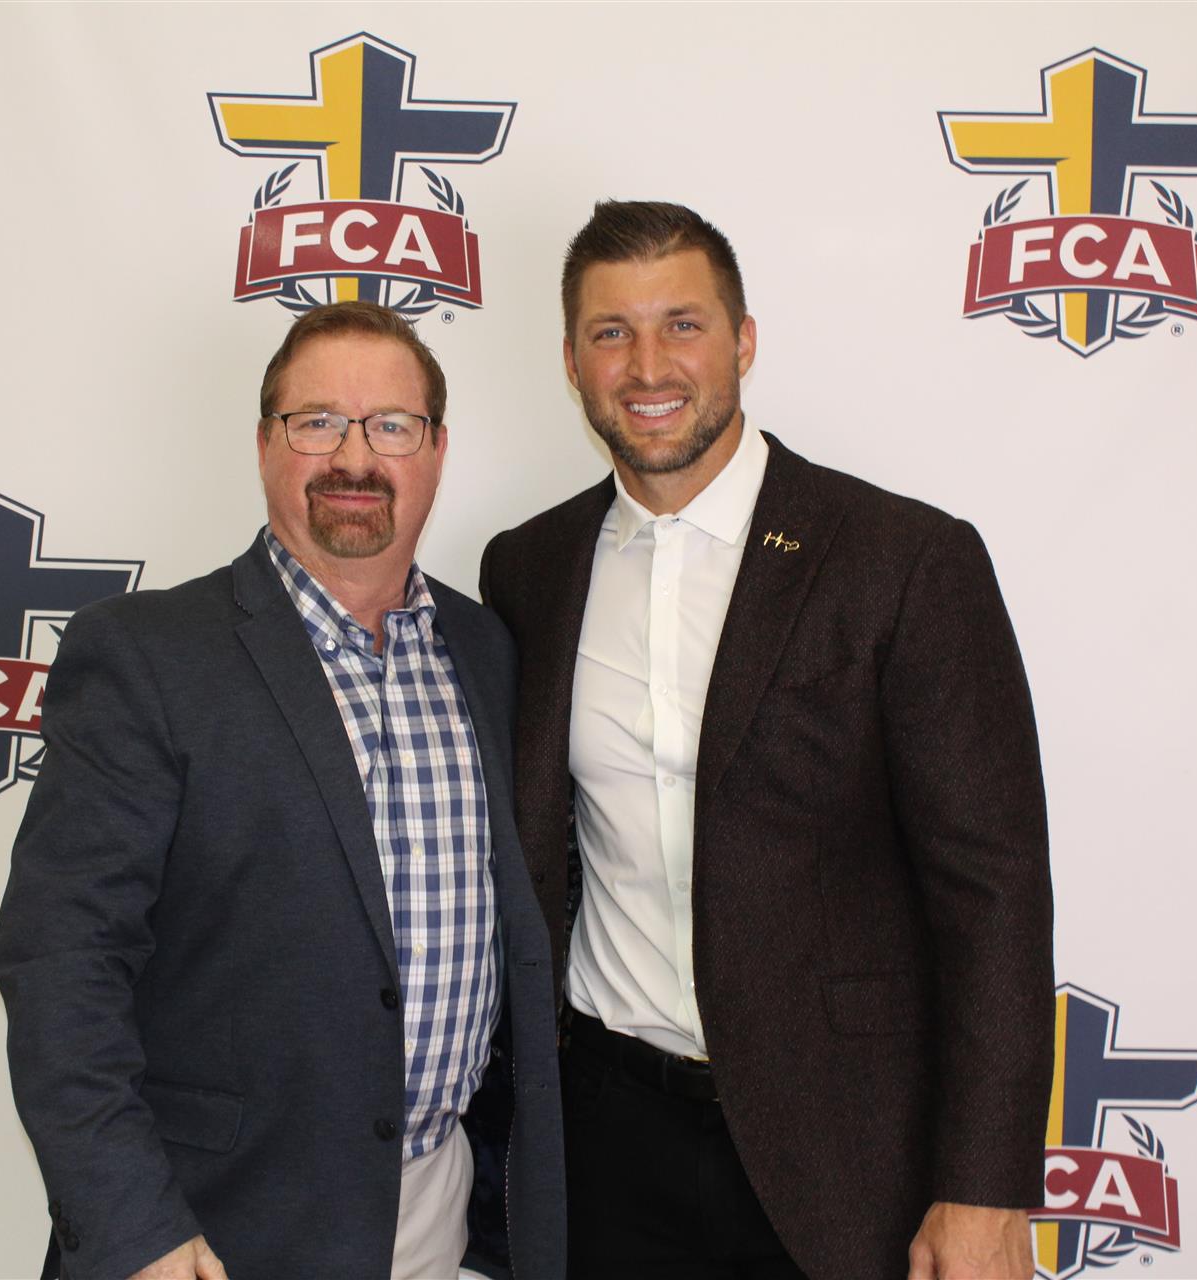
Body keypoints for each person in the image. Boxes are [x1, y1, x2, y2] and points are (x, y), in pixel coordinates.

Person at [480, 201, 1054, 1279]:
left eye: (682, 325)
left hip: (844, 1149)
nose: (648, 366)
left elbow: (996, 894)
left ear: (743, 341)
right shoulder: (529, 567)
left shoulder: (900, 559)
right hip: (607, 1138)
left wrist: (985, 1184)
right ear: (571, 362)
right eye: (612, 333)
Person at [0, 301, 563, 1280]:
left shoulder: (487, 649)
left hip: (444, 1214)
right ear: (265, 443)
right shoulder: (147, 657)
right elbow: (61, 963)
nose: (355, 457)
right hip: (217, 1232)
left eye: (392, 425)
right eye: (317, 422)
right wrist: (135, 1229)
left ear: (436, 450)